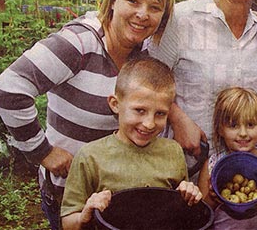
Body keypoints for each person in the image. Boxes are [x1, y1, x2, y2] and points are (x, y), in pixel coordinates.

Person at [0, 0, 175, 229]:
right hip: (71, 198)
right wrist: (43, 152)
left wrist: (177, 118)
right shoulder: (78, 44)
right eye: (133, 1)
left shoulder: (143, 51)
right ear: (113, 0)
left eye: (155, 8)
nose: (143, 14)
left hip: (118, 194)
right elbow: (8, 89)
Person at [147, 0, 257, 181]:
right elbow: (147, 79)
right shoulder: (183, 18)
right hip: (181, 166)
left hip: (238, 171)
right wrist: (177, 118)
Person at [61, 57, 202, 230]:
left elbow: (179, 209)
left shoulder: (173, 151)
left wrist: (188, 194)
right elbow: (67, 222)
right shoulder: (90, 157)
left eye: (160, 114)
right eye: (140, 110)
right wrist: (85, 215)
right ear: (115, 104)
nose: (149, 123)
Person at [198, 87, 257, 229]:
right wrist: (212, 198)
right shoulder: (212, 166)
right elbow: (200, 217)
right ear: (220, 129)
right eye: (233, 125)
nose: (243, 133)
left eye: (250, 125)